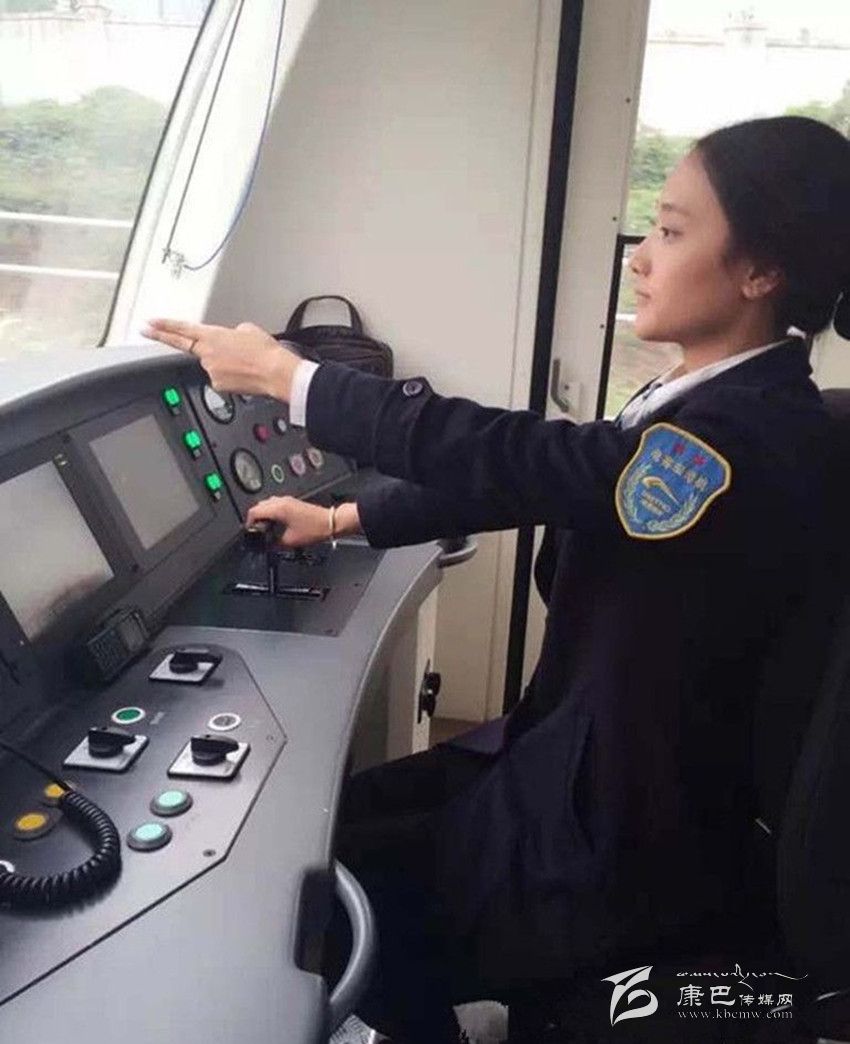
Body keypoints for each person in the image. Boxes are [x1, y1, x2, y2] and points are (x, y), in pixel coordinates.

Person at [143, 116, 850, 1043]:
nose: (641, 258)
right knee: (318, 834)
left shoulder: (747, 436)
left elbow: (536, 461)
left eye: (673, 232)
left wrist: (298, 380)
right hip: (575, 754)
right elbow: (549, 476)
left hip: (624, 832)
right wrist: (345, 518)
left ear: (760, 272)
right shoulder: (715, 400)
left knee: (324, 905)